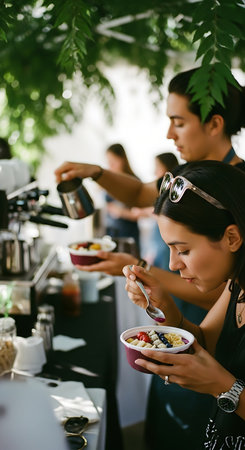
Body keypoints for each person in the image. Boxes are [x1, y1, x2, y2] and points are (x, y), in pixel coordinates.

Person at [54, 65, 245, 310]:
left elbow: (227, 294)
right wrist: (97, 172)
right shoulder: (185, 177)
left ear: (214, 124)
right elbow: (138, 194)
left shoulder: (236, 187)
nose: (169, 134)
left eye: (179, 123)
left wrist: (140, 267)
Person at [123, 160, 245, 449]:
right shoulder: (236, 286)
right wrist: (165, 307)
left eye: (183, 250)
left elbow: (221, 380)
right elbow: (204, 342)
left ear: (231, 237)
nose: (172, 264)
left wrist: (224, 387)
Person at [104, 143, 140, 251]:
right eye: (108, 162)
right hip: (112, 232)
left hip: (128, 234)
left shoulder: (134, 182)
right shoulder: (109, 181)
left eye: (113, 162)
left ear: (122, 160)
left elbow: (140, 212)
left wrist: (121, 212)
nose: (110, 166)